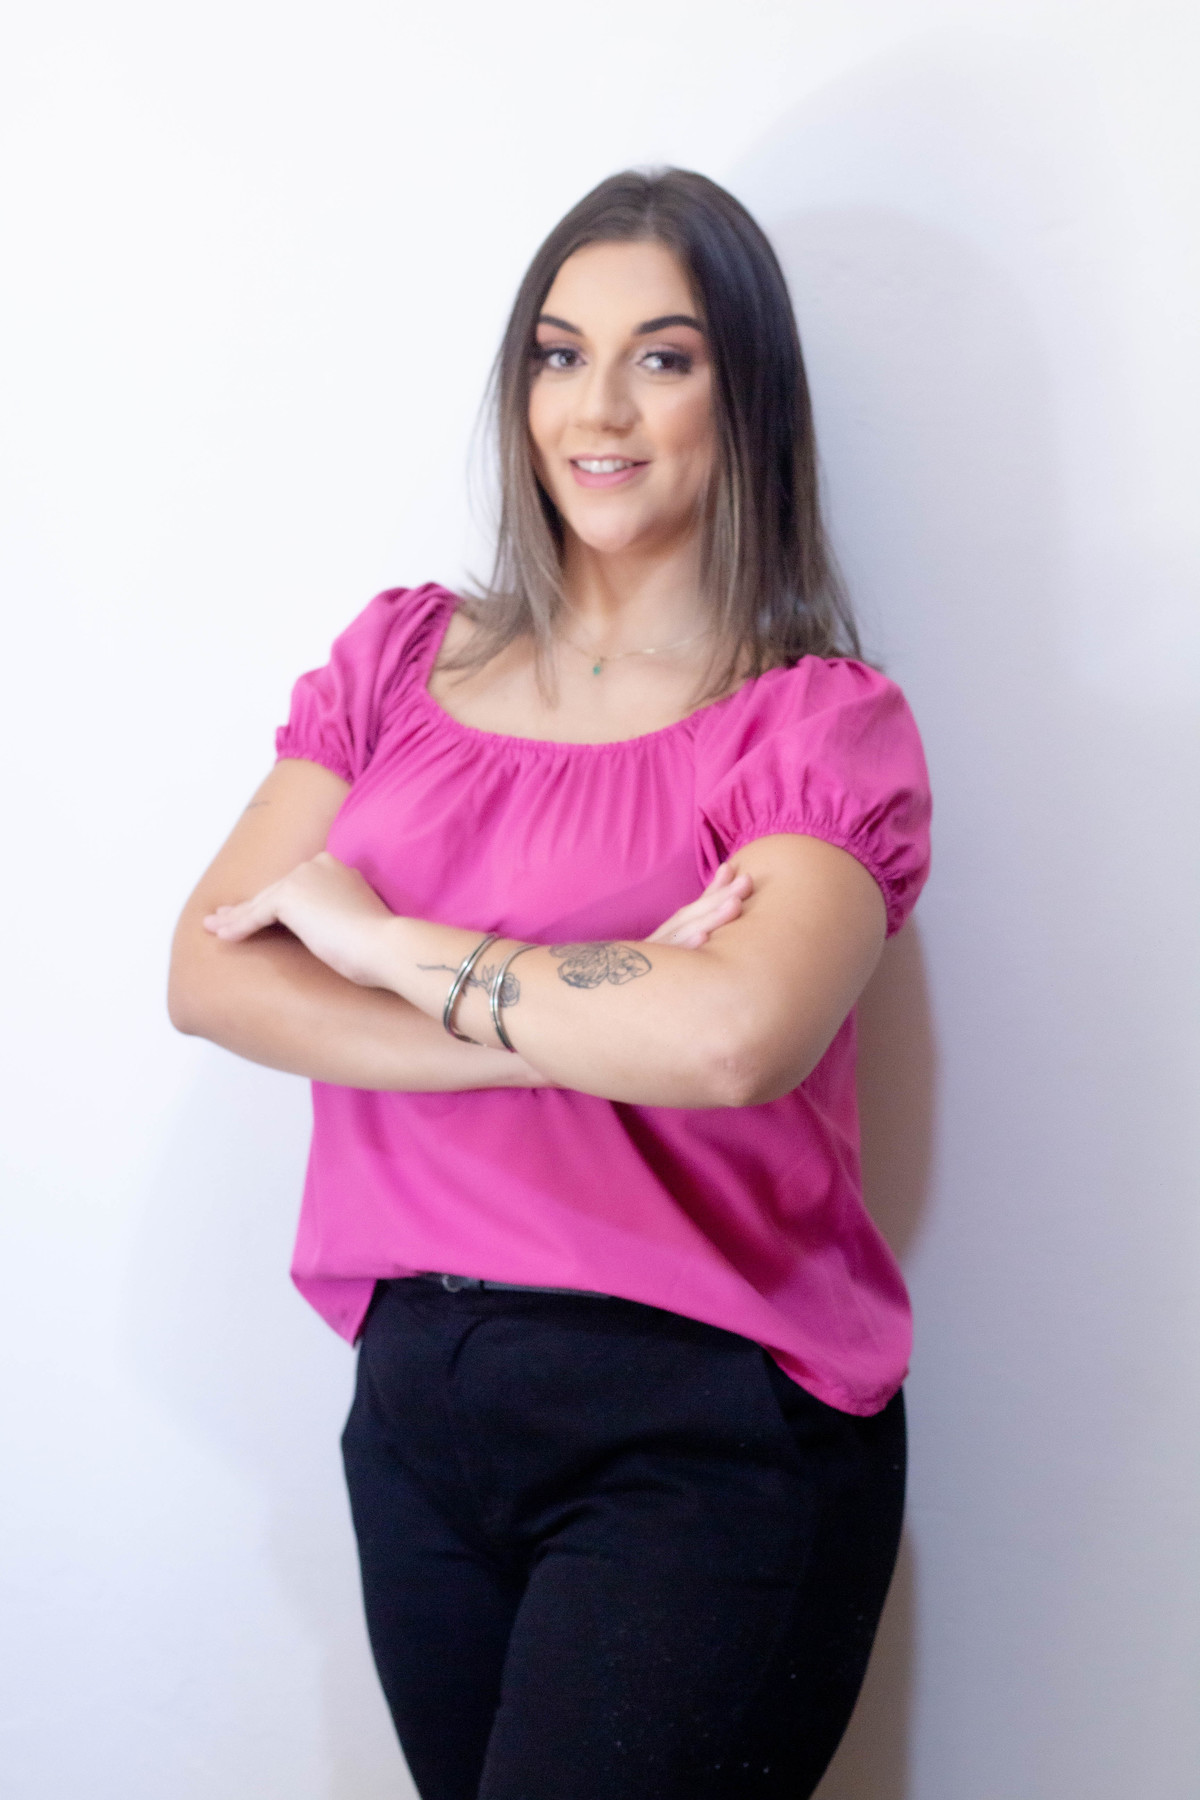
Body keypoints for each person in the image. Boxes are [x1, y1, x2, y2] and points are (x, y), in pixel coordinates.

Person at [168, 167, 931, 1800]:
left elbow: (728, 1041)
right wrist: (575, 1029)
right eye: (559, 353)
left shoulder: (814, 723)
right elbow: (214, 973)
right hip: (419, 1404)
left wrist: (382, 945)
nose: (600, 408)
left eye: (665, 357)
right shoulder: (397, 661)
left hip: (698, 1420)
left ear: (746, 395)